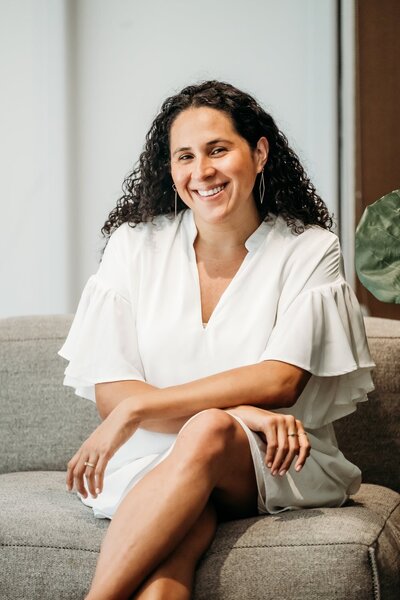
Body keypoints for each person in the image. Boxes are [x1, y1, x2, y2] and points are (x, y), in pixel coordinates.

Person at [59, 80, 375, 600]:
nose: (200, 171)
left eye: (218, 149)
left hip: (275, 461)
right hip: (159, 461)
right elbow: (113, 397)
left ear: (259, 152)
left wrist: (141, 413)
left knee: (207, 432)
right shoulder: (133, 247)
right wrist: (243, 413)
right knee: (168, 568)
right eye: (184, 156)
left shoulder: (310, 249)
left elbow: (280, 379)